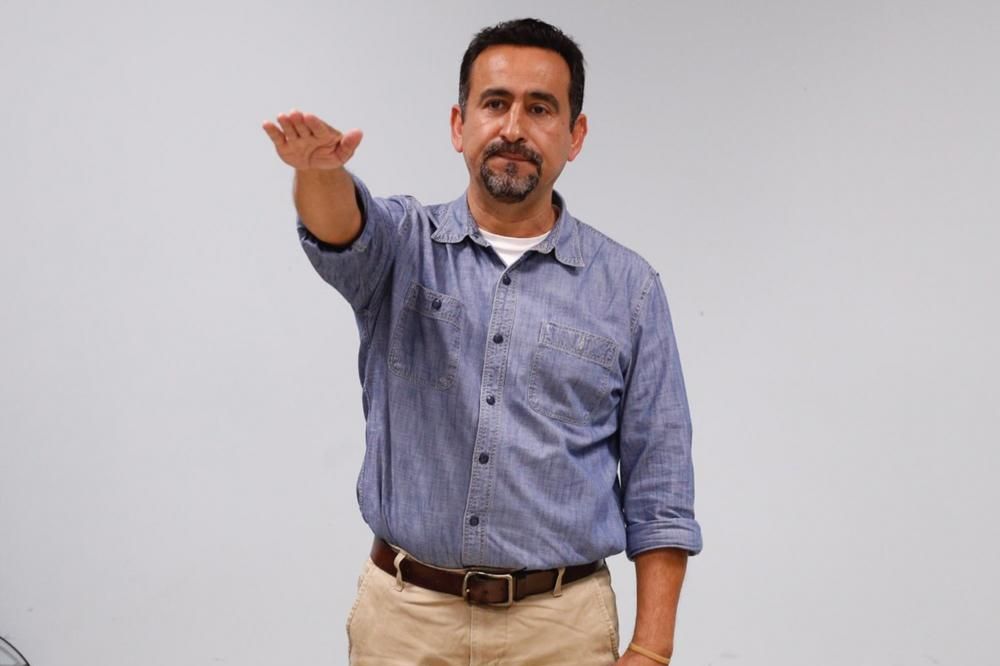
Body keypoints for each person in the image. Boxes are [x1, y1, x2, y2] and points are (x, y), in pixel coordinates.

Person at [262, 18, 701, 666]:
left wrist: (652, 648)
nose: (514, 128)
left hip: (561, 631)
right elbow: (341, 230)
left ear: (575, 135)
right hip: (407, 625)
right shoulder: (401, 246)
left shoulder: (629, 290)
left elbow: (660, 483)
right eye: (495, 103)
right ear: (458, 124)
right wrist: (319, 173)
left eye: (540, 109)